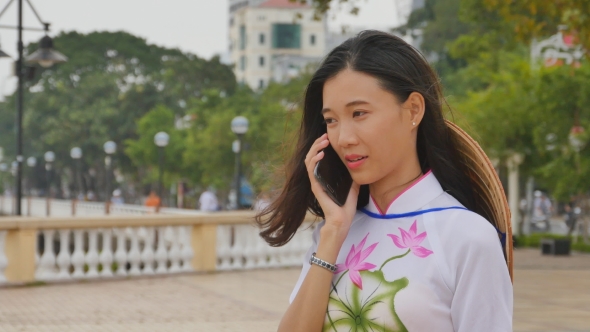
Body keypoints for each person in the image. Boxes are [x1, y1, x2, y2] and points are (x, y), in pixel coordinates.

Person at [256, 31, 512, 331]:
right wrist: (332, 233)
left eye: (359, 113)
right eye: (331, 120)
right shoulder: (335, 232)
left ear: (413, 110)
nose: (344, 138)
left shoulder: (468, 238)